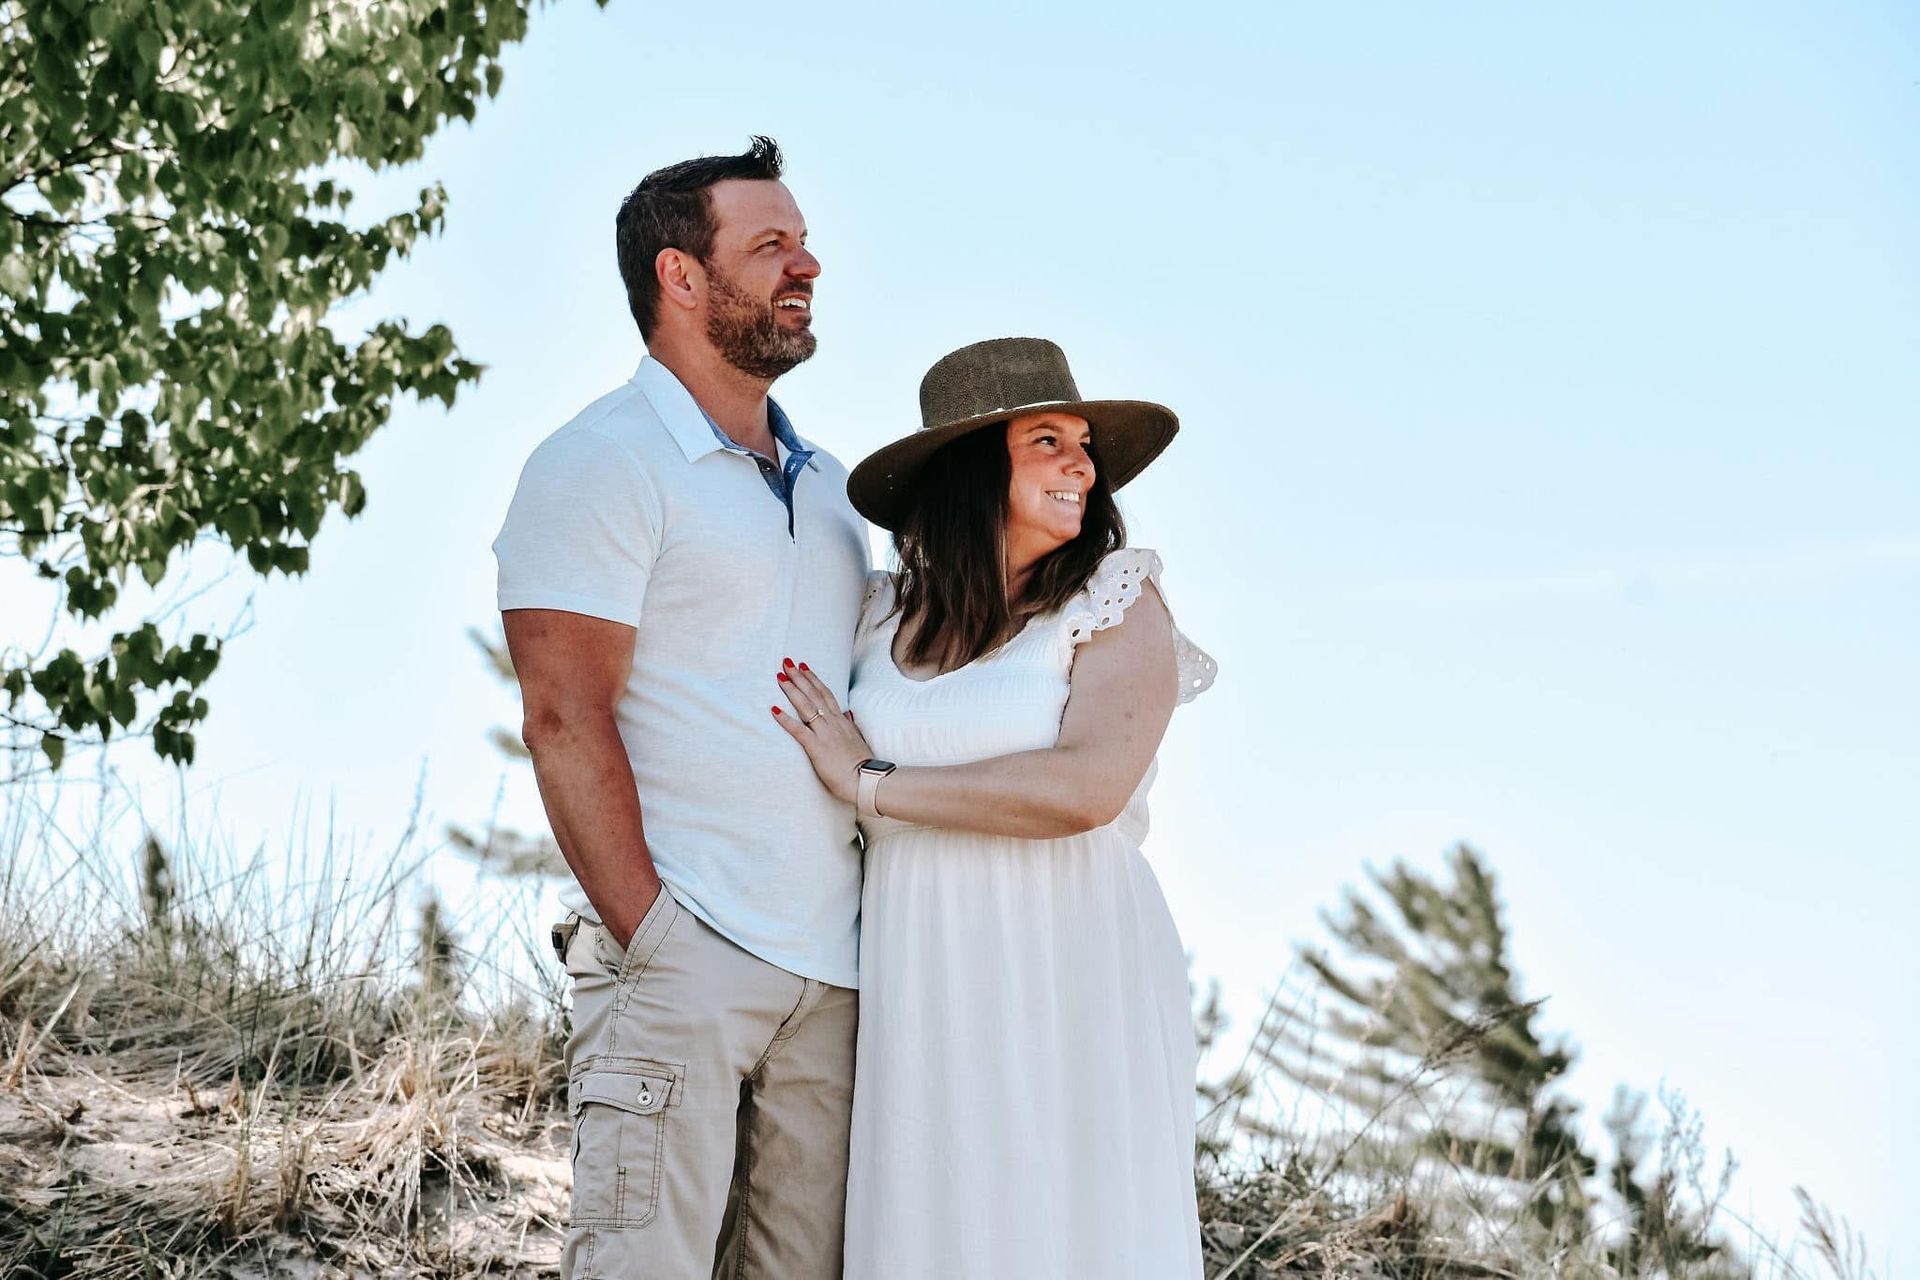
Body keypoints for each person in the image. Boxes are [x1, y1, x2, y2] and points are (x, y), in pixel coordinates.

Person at [492, 137, 869, 1280]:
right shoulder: (600, 461)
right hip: (681, 961)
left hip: (836, 985)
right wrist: (656, 937)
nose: (806, 264)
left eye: (803, 242)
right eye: (771, 245)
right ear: (681, 277)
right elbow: (563, 718)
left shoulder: (837, 490)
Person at [773, 336, 1217, 1277]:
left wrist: (874, 784)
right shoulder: (879, 616)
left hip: (1071, 963)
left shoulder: (1115, 601)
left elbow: (1087, 786)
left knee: (1072, 1228)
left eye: (1085, 445)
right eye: (1047, 441)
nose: (1082, 465)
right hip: (921, 967)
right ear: (976, 469)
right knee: (938, 1220)